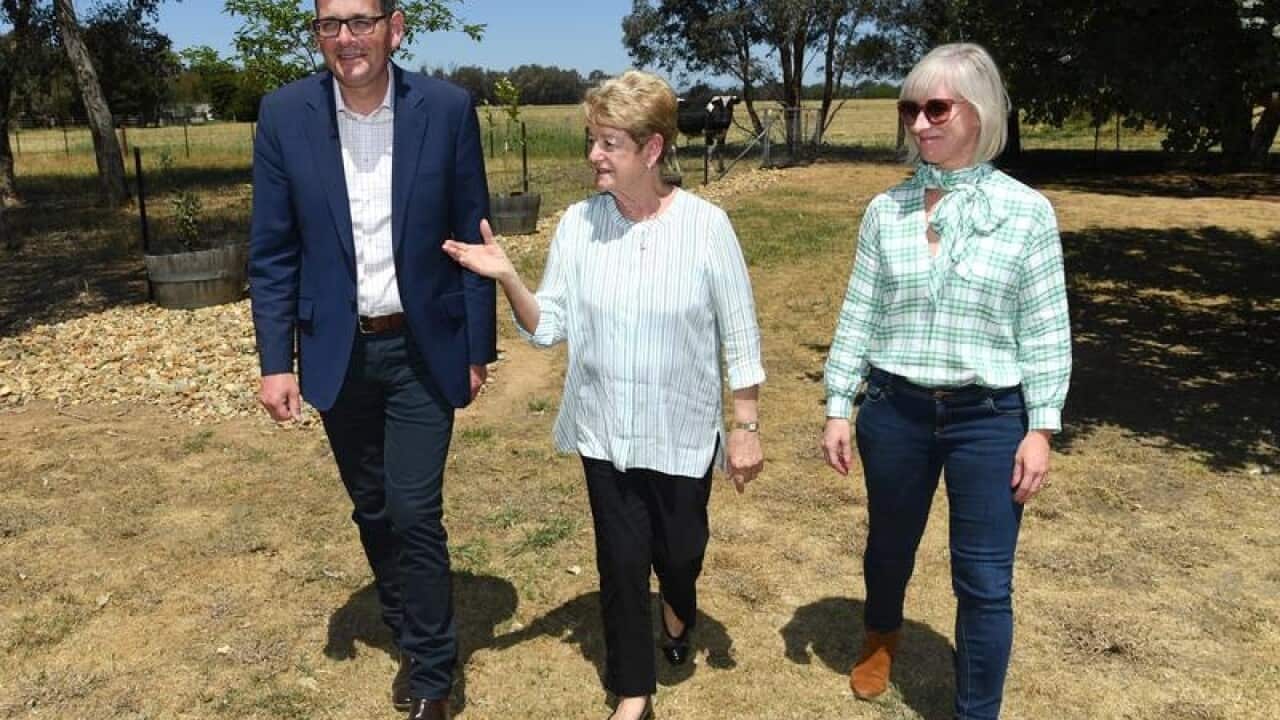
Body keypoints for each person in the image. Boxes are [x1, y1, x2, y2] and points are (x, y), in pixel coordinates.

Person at [443, 70, 766, 720]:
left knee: (681, 552)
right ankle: (633, 692)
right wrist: (509, 278)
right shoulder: (577, 225)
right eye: (592, 139)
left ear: (652, 148)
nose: (594, 154)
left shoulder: (706, 227)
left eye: (608, 143)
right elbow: (548, 327)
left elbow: (740, 331)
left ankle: (679, 606)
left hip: (680, 432)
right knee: (620, 564)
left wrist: (745, 423)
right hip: (604, 430)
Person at [248, 1, 494, 718]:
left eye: (360, 21)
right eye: (330, 24)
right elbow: (272, 252)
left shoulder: (446, 110)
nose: (346, 38)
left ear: (395, 27)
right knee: (374, 507)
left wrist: (477, 346)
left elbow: (473, 233)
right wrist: (276, 361)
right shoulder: (284, 115)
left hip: (423, 346)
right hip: (338, 349)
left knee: (414, 508)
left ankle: (433, 674)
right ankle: (406, 622)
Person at [820, 43, 1071, 720]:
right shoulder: (886, 210)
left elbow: (1046, 329)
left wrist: (1042, 427)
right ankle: (881, 635)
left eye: (936, 108)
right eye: (910, 109)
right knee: (888, 546)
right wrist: (839, 404)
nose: (919, 123)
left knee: (985, 580)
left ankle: (976, 711)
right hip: (894, 411)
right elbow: (859, 312)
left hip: (990, 419)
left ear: (980, 112)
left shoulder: (1027, 213)